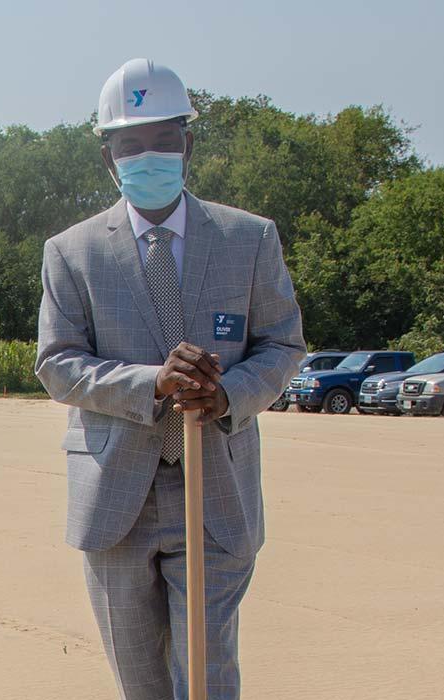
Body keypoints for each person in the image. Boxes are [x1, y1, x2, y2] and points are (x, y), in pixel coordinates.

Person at [34, 58, 305, 699]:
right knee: (142, 684)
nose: (147, 155)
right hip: (115, 500)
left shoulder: (249, 239)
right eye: (131, 145)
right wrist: (152, 382)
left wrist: (229, 392)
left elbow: (282, 343)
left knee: (207, 680)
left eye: (162, 140)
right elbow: (57, 363)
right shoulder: (73, 251)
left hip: (216, 496)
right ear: (109, 156)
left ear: (187, 143)